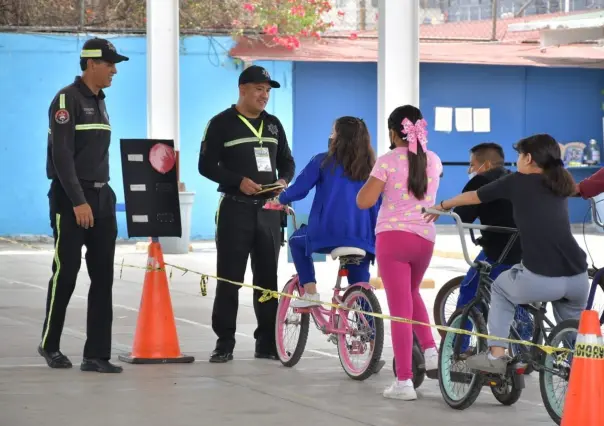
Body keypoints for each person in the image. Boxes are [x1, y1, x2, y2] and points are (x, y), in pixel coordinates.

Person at [425, 134, 589, 374]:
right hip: (578, 277)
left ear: (529, 158)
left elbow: (472, 197)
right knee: (575, 334)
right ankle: (586, 366)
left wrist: (441, 205)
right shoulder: (561, 182)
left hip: (543, 277)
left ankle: (496, 355)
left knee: (500, 287)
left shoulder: (517, 181)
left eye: (519, 155)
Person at [40, 37, 128, 373]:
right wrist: (78, 201)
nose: (114, 71)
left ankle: (96, 355)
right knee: (66, 273)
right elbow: (61, 156)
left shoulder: (101, 101)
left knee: (103, 276)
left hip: (102, 197)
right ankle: (50, 344)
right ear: (91, 63)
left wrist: (102, 197)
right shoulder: (67, 99)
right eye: (109, 64)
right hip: (71, 199)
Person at [198, 65, 296, 363]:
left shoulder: (274, 125)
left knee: (267, 280)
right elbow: (205, 166)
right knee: (230, 279)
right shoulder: (220, 124)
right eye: (258, 89)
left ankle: (266, 342)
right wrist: (237, 181)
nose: (264, 95)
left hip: (268, 212)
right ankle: (224, 342)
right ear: (242, 89)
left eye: (267, 90)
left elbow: (287, 162)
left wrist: (283, 181)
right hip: (235, 210)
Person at [356, 105, 442, 401]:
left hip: (393, 238)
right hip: (425, 239)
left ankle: (404, 381)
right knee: (412, 292)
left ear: (393, 132)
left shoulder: (387, 161)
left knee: (400, 312)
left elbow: (364, 201)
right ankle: (430, 351)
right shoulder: (433, 159)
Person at [273, 116, 380, 308]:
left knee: (296, 242)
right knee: (360, 287)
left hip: (328, 232)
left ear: (339, 138)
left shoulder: (323, 161)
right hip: (364, 236)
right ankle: (370, 333)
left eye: (333, 132)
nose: (330, 136)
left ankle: (311, 294)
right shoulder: (375, 167)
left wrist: (279, 199)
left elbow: (299, 189)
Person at [454, 143, 533, 349]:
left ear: (486, 164)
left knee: (469, 290)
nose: (470, 170)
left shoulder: (480, 181)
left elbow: (463, 216)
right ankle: (523, 348)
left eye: (472, 165)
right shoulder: (515, 178)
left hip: (499, 251)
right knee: (518, 296)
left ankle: (458, 348)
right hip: (528, 250)